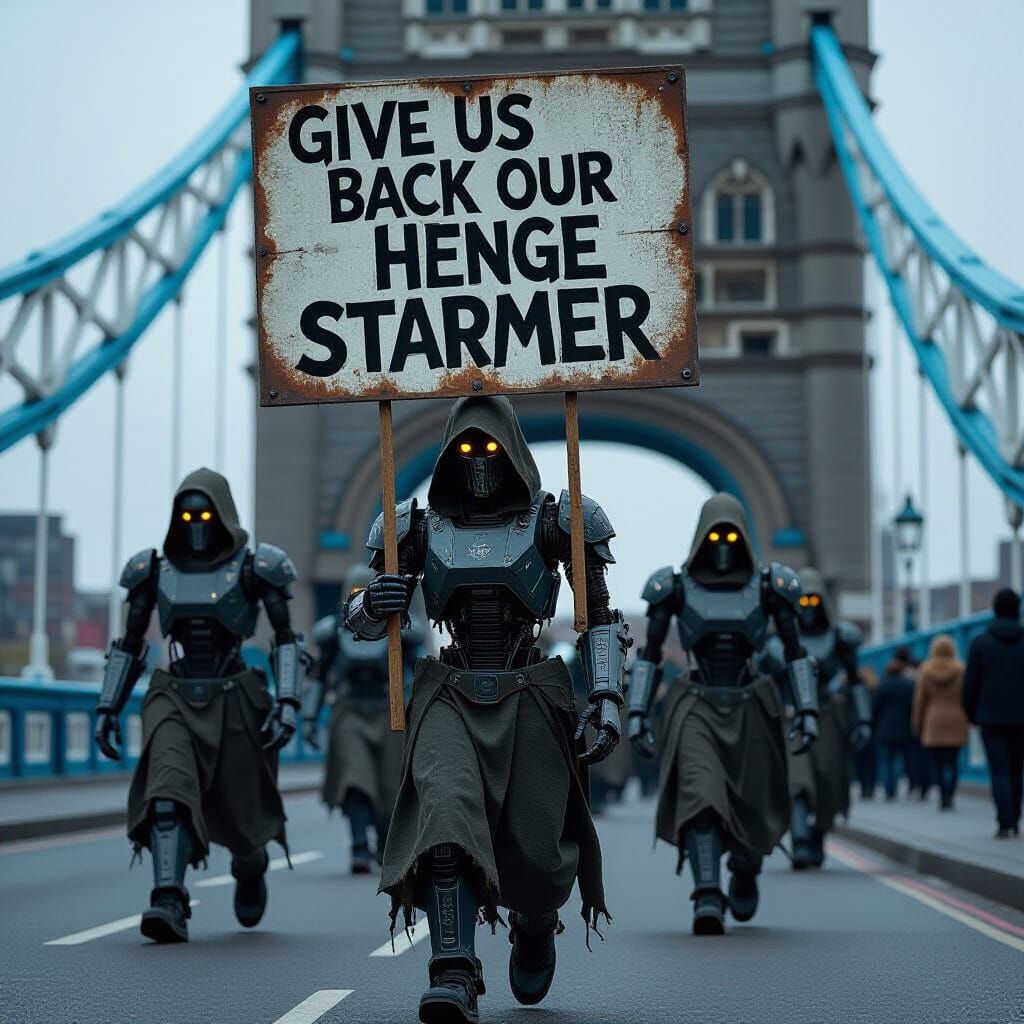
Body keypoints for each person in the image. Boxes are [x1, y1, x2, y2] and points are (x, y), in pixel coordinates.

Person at [345, 395, 628, 1024]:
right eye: (465, 451)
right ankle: (453, 971)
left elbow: (601, 618)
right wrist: (377, 601)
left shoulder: (558, 520)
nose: (478, 463)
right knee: (444, 814)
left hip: (531, 689)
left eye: (490, 449)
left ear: (514, 453)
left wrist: (606, 699)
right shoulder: (414, 528)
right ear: (447, 456)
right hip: (448, 690)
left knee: (533, 844)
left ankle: (534, 923)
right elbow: (357, 622)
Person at [93, 468, 305, 943]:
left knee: (244, 820)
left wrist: (288, 702)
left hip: (235, 697)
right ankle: (169, 900)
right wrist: (107, 707)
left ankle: (251, 867)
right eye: (186, 513)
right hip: (173, 693)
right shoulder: (153, 570)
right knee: (166, 793)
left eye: (204, 512)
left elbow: (287, 641)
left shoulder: (256, 567)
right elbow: (128, 644)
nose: (195, 522)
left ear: (223, 514)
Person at [627, 493, 819, 935]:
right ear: (701, 537)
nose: (723, 545)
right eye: (715, 535)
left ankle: (746, 866)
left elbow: (795, 653)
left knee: (752, 801)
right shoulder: (673, 587)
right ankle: (707, 894)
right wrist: (636, 711)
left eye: (731, 535)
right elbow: (649, 655)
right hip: (696, 702)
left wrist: (806, 709)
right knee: (701, 794)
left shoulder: (771, 586)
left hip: (751, 702)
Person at [301, 565, 422, 872]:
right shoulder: (332, 632)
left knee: (389, 783)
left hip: (389, 709)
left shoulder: (400, 629)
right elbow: (318, 675)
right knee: (354, 777)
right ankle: (358, 843)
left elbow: (420, 673)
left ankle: (384, 844)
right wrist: (309, 718)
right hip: (350, 709)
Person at [761, 568, 873, 869]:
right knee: (797, 782)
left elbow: (855, 679)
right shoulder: (774, 644)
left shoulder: (840, 637)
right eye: (803, 602)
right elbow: (760, 682)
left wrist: (863, 720)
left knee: (828, 781)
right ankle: (799, 840)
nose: (808, 609)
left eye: (814, 601)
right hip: (790, 718)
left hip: (827, 717)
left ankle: (818, 835)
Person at [963, 588, 1024, 838]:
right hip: (1021, 717)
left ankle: (1004, 822)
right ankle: (1016, 818)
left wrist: (971, 714)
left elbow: (971, 683)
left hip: (990, 716)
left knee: (998, 770)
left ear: (995, 610)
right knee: (1016, 769)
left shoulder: (980, 643)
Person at [873, 646, 916, 800]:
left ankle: (889, 790)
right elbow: (913, 707)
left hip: (885, 728)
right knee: (900, 759)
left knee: (886, 760)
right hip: (904, 728)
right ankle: (899, 787)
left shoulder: (883, 686)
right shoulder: (908, 686)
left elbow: (875, 707)